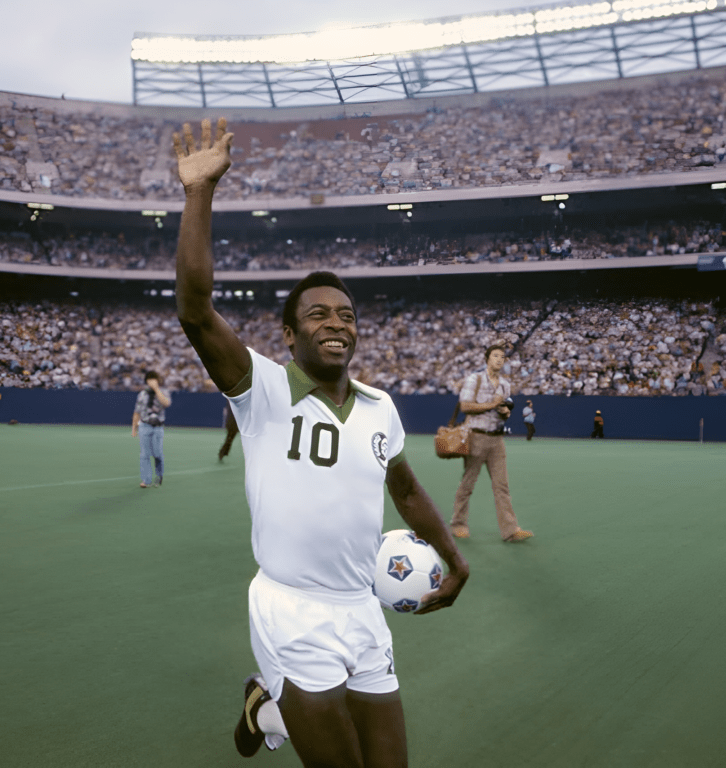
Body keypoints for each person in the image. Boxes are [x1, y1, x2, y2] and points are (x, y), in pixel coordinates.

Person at [172, 117, 469, 768]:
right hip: (290, 609)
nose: (336, 324)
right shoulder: (264, 390)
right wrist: (200, 193)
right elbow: (194, 310)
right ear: (289, 334)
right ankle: (276, 693)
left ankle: (265, 704)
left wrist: (454, 556)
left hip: (362, 608)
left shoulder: (379, 407)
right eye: (318, 314)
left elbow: (406, 488)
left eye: (346, 315)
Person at [450, 345, 533, 543]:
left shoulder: (504, 385)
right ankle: (458, 524)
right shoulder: (475, 379)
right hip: (476, 436)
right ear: (486, 358)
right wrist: (492, 405)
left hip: (497, 439)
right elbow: (465, 406)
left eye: (502, 357)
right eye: (495, 356)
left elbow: (502, 411)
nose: (499, 360)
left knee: (502, 486)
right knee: (468, 483)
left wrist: (505, 412)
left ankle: (511, 530)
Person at [131, 371, 172, 488]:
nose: (151, 381)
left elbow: (166, 403)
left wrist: (156, 389)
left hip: (158, 427)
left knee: (157, 453)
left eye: (154, 379)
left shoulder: (163, 392)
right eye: (149, 379)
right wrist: (134, 428)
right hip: (144, 425)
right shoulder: (142, 394)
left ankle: (159, 476)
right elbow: (137, 412)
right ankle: (146, 480)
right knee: (144, 454)